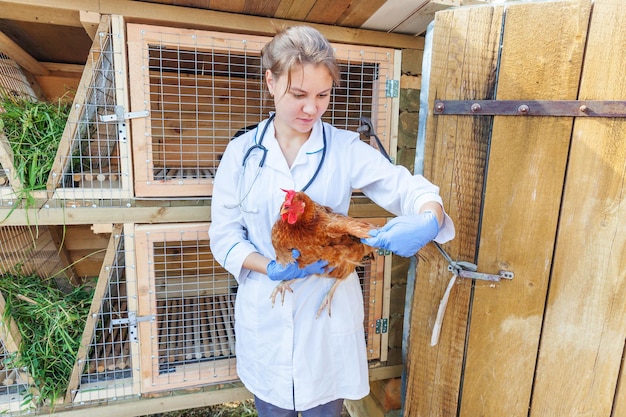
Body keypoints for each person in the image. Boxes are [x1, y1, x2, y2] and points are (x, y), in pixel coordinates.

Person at [209, 25, 455, 417]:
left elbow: (405, 187)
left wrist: (429, 216)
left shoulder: (343, 148)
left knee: (325, 408)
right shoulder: (241, 153)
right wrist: (270, 267)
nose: (312, 108)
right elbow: (223, 236)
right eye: (299, 94)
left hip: (327, 315)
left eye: (322, 95)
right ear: (270, 83)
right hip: (266, 319)